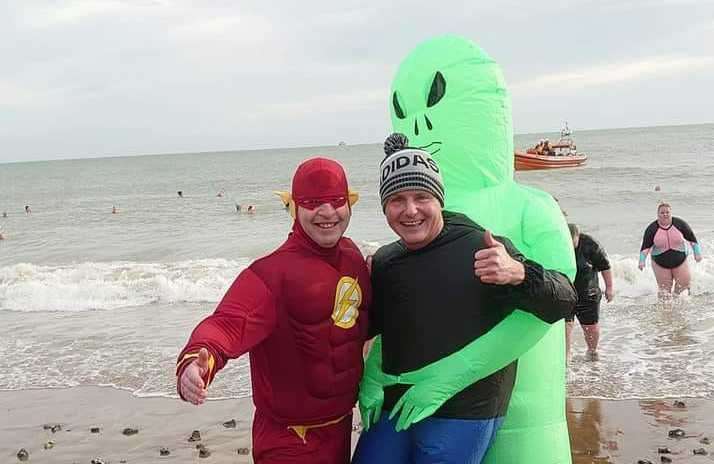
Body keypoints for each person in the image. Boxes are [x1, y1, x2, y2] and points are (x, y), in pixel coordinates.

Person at [385, 36, 577, 463]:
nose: (417, 126)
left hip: (523, 418)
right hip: (428, 404)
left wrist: (449, 376)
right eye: (402, 111)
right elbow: (398, 312)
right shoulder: (419, 218)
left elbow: (560, 300)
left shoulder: (532, 208)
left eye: (433, 101)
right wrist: (375, 377)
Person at [353, 146, 576, 463]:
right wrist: (370, 380)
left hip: (465, 409)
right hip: (396, 402)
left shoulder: (483, 247)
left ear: (439, 199)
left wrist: (519, 273)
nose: (410, 210)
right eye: (397, 200)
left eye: (422, 197)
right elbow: (376, 328)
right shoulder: (387, 260)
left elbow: (565, 301)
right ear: (385, 207)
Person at [176, 157, 370, 464]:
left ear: (350, 203)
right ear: (294, 206)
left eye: (336, 200)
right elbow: (225, 325)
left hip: (341, 428)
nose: (327, 212)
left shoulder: (353, 257)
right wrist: (196, 361)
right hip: (288, 439)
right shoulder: (270, 275)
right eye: (312, 202)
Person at [565, 224, 613, 361]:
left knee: (590, 328)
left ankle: (592, 351)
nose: (569, 244)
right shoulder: (557, 243)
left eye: (571, 241)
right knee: (566, 326)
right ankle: (566, 356)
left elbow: (605, 266)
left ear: (577, 236)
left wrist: (609, 288)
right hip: (565, 293)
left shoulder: (590, 244)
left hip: (588, 292)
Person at [639, 202, 702, 299]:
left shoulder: (680, 224)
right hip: (660, 262)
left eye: (667, 212)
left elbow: (693, 240)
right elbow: (645, 248)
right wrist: (641, 261)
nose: (665, 214)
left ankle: (677, 301)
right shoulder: (652, 229)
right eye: (662, 213)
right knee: (665, 291)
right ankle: (664, 310)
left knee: (684, 284)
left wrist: (697, 253)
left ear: (671, 213)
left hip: (680, 260)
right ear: (658, 214)